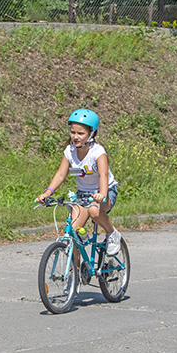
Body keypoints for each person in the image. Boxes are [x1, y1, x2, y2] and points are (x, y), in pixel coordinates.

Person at [35, 108, 122, 254]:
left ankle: (112, 234)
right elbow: (61, 174)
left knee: (94, 210)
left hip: (105, 191)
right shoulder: (69, 151)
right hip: (83, 194)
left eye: (80, 133)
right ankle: (74, 275)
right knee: (73, 235)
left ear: (91, 134)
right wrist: (47, 193)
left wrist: (102, 194)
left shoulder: (98, 152)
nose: (75, 136)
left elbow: (103, 175)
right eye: (73, 132)